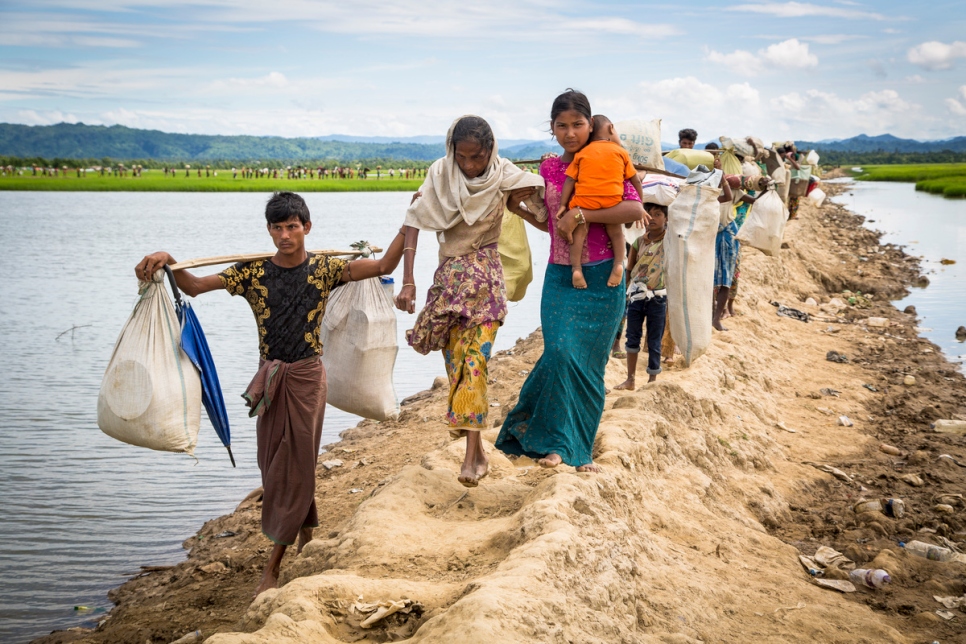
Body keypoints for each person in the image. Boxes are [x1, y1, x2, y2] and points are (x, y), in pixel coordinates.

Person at [134, 191, 406, 599]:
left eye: (292, 227)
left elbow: (385, 265)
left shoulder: (326, 270)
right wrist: (168, 259)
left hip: (308, 379)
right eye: (277, 228)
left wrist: (411, 221)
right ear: (269, 230)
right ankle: (307, 531)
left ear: (306, 228)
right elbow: (193, 287)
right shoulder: (251, 273)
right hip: (270, 379)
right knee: (273, 465)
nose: (284, 235)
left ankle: (273, 567)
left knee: (293, 466)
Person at [495, 89, 645, 473]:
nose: (569, 132)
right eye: (561, 125)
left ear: (590, 124)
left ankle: (576, 448)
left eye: (577, 124)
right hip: (562, 275)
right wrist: (522, 212)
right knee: (560, 355)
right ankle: (554, 441)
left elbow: (633, 208)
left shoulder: (608, 160)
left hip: (605, 279)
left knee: (589, 367)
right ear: (551, 128)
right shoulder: (548, 169)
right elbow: (552, 223)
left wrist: (581, 215)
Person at [395, 115, 546, 488]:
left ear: (490, 150)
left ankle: (469, 459)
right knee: (456, 366)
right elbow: (414, 219)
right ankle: (476, 450)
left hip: (487, 283)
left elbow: (540, 206)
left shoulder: (505, 175)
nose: (470, 165)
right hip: (449, 285)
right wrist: (409, 280)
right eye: (462, 156)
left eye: (477, 156)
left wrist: (532, 201)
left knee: (475, 362)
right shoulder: (440, 176)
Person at [557, 114, 644, 289]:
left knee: (578, 235)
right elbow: (635, 180)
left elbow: (570, 181)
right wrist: (640, 201)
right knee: (616, 232)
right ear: (611, 128)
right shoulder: (621, 152)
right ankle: (619, 264)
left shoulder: (581, 154)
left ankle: (576, 270)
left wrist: (563, 205)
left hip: (585, 202)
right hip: (613, 201)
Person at [614, 203, 668, 390]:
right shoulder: (638, 242)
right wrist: (625, 293)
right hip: (636, 296)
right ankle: (630, 379)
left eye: (658, 214)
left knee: (654, 338)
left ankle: (652, 380)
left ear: (667, 219)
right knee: (632, 336)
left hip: (658, 298)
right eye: (648, 214)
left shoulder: (669, 242)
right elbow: (630, 269)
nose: (652, 218)